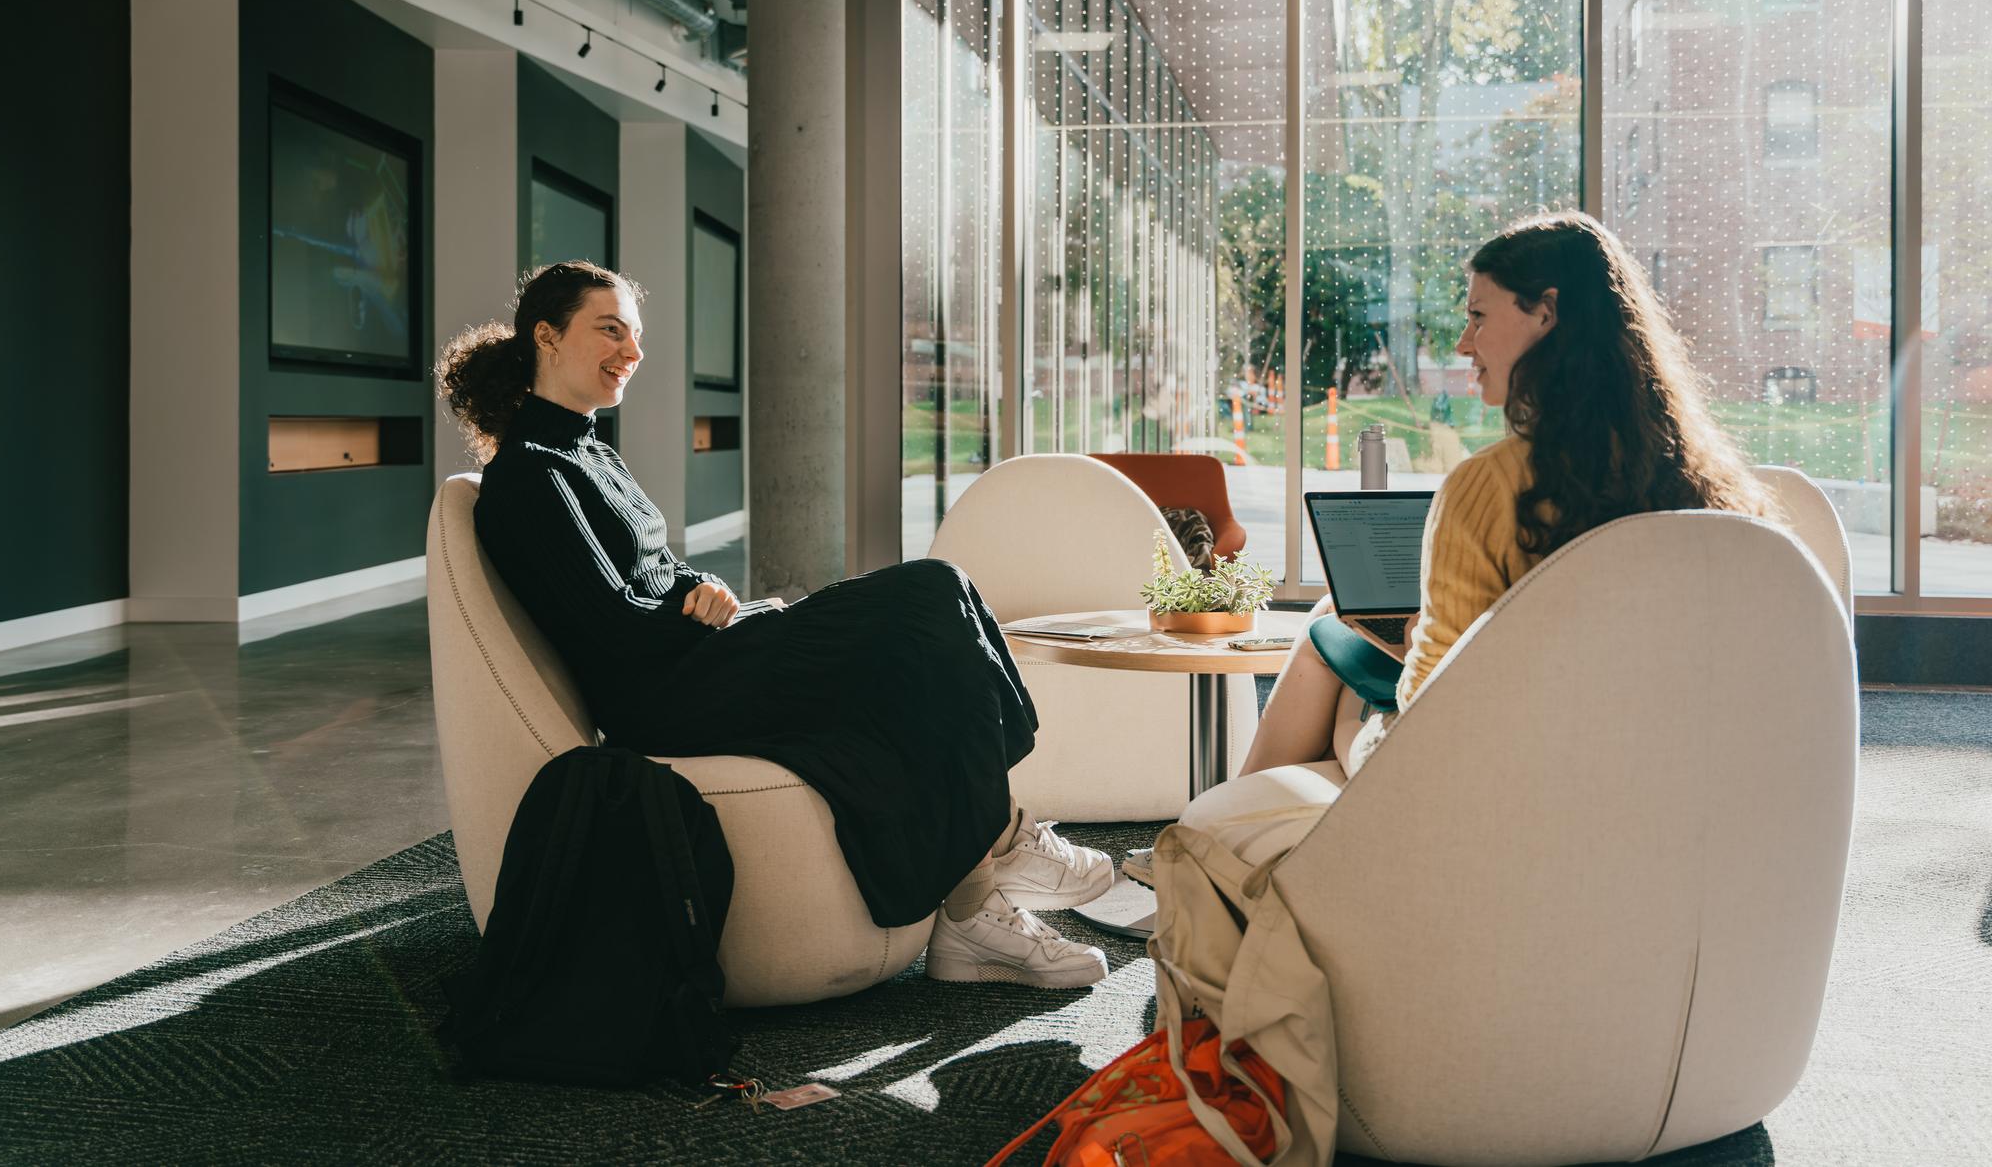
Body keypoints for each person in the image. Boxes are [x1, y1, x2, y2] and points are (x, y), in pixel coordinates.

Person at [438, 261, 1113, 989]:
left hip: (701, 660)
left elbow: (657, 569)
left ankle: (974, 909)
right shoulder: (529, 473)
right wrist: (714, 619)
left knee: (934, 627)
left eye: (635, 336)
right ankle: (1003, 840)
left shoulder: (590, 448)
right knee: (930, 591)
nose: (631, 352)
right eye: (610, 330)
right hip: (668, 696)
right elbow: (615, 629)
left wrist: (707, 588)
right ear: (546, 334)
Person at [1173, 213, 1775, 869]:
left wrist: (1399, 669)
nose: (1463, 341)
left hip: (1498, 792)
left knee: (1342, 677)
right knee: (1333, 621)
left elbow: (1431, 717)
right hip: (1663, 789)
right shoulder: (1721, 494)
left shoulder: (1489, 491)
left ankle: (1223, 846)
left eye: (1479, 316)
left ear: (1547, 313)